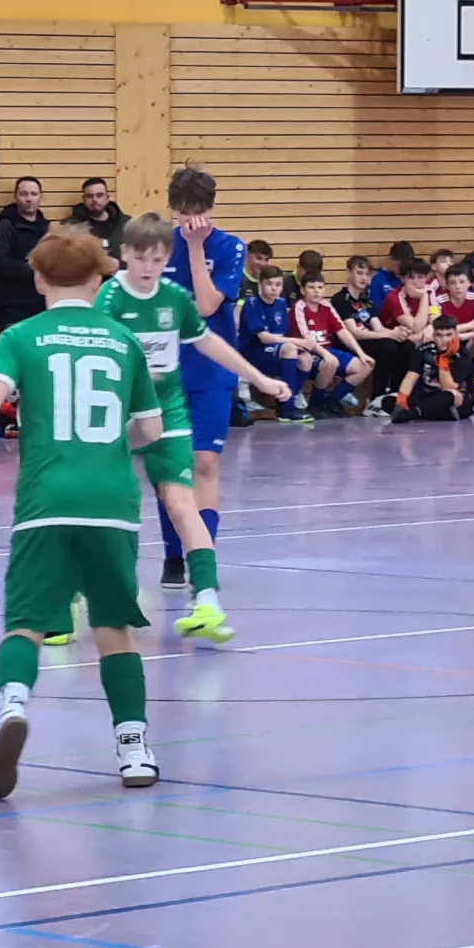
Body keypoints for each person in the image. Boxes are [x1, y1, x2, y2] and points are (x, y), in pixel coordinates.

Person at [0, 228, 167, 797]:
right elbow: (151, 430)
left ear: (37, 279)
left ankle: (13, 705)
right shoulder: (123, 340)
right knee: (113, 627)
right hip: (110, 502)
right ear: (100, 279)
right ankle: (134, 749)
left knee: (26, 623)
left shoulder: (21, 336)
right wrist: (111, 443)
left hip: (45, 502)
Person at [89, 213, 288, 647]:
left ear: (167, 259)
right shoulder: (109, 298)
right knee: (104, 503)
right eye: (141, 257)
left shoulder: (175, 298)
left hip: (169, 412)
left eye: (158, 259)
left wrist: (258, 377)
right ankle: (84, 588)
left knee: (182, 502)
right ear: (124, 254)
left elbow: (209, 341)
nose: (148, 267)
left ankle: (208, 602)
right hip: (119, 413)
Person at [158, 166, 249, 591]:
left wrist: (195, 248)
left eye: (197, 210)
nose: (189, 219)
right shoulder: (159, 246)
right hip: (165, 372)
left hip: (212, 370)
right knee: (170, 465)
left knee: (204, 462)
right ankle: (172, 554)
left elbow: (209, 305)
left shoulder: (231, 247)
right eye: (182, 211)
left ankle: (203, 558)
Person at [293, 270, 373, 415]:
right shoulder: (299, 307)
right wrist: (326, 355)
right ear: (303, 290)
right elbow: (306, 340)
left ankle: (333, 401)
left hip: (327, 350)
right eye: (311, 287)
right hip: (306, 353)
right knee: (330, 363)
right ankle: (316, 405)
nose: (316, 291)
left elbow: (342, 331)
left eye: (319, 287)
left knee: (365, 366)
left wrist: (361, 353)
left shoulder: (326, 306)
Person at [239, 267, 311, 424]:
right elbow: (264, 338)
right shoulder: (251, 304)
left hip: (273, 350)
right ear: (260, 284)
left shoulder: (280, 304)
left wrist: (300, 345)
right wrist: (298, 342)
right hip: (251, 353)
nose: (273, 288)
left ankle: (288, 399)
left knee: (306, 359)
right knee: (290, 348)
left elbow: (281, 334)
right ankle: (286, 409)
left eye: (278, 285)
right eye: (269, 284)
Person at [333, 256, 404, 413]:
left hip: (368, 341)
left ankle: (394, 394)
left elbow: (378, 327)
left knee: (402, 345)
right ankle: (375, 399)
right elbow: (354, 333)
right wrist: (388, 335)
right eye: (359, 273)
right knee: (387, 346)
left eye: (366, 274)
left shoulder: (367, 300)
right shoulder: (340, 299)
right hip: (347, 344)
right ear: (348, 273)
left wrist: (396, 333)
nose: (363, 278)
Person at [0, 176, 50, 332]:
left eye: (33, 194)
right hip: (14, 307)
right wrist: (33, 268)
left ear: (41, 197)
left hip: (42, 304)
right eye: (24, 194)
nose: (29, 199)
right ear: (15, 197)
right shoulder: (5, 226)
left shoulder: (46, 227)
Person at [391, 313, 474, 424]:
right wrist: (401, 400)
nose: (444, 340)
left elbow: (447, 387)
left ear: (455, 334)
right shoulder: (425, 349)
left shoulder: (462, 354)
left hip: (454, 398)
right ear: (434, 335)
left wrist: (443, 359)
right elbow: (410, 378)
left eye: (448, 335)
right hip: (427, 395)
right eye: (439, 335)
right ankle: (431, 413)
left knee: (448, 397)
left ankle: (412, 414)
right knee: (389, 401)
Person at [64, 176, 128, 264]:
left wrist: (119, 265)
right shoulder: (70, 227)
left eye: (99, 195)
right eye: (89, 196)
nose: (94, 199)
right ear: (84, 199)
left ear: (107, 198)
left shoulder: (127, 224)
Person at [368, 242, 414, 312]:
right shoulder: (378, 279)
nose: (403, 269)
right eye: (399, 265)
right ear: (391, 259)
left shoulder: (410, 278)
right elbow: (377, 308)